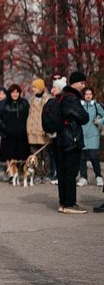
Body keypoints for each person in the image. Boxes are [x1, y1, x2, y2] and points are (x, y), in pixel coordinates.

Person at [55, 71, 90, 213]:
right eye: (82, 83)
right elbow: (84, 117)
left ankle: (63, 203)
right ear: (75, 83)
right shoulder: (72, 98)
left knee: (63, 172)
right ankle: (70, 204)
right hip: (71, 140)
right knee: (70, 172)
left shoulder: (62, 97)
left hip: (61, 139)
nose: (83, 86)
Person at [0, 84, 30, 180]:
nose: (15, 94)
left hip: (21, 134)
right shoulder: (4, 104)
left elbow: (28, 116)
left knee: (21, 154)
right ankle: (11, 174)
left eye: (17, 92)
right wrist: (5, 128)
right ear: (9, 93)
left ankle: (21, 173)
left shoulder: (24, 103)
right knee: (9, 155)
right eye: (13, 92)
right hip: (8, 134)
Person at [79, 86, 103, 187]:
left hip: (93, 135)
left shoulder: (97, 106)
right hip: (82, 135)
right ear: (83, 95)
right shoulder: (80, 106)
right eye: (86, 94)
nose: (88, 96)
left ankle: (98, 177)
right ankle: (83, 178)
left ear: (92, 95)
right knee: (82, 158)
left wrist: (99, 121)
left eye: (90, 94)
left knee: (94, 157)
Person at [27, 77, 49, 176]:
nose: (33, 89)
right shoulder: (31, 100)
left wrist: (47, 129)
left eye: (34, 87)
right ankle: (38, 174)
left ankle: (47, 174)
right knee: (36, 155)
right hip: (32, 131)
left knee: (46, 155)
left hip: (43, 131)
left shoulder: (47, 100)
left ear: (40, 88)